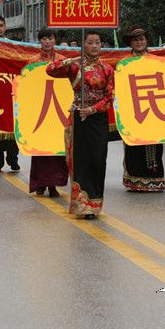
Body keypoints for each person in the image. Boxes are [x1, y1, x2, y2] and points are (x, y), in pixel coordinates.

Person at [46, 31, 114, 219]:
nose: (94, 46)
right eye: (90, 42)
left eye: (97, 42)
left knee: (98, 160)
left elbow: (109, 97)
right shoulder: (75, 67)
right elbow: (50, 69)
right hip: (78, 119)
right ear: (83, 45)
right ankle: (83, 206)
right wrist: (71, 60)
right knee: (80, 161)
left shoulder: (107, 69)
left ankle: (95, 204)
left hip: (98, 118)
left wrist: (92, 110)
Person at [122, 26, 165, 192]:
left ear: (146, 40)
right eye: (135, 40)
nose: (139, 42)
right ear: (130, 43)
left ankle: (155, 180)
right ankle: (135, 181)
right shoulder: (124, 63)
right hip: (133, 109)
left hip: (153, 106)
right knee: (134, 144)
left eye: (141, 39)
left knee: (154, 145)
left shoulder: (157, 61)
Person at [30, 29, 69, 197]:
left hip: (57, 110)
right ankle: (40, 184)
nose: (47, 42)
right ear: (39, 41)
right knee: (40, 149)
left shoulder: (62, 60)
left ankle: (54, 184)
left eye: (50, 38)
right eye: (44, 39)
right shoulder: (33, 61)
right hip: (40, 108)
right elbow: (27, 84)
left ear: (55, 40)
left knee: (57, 148)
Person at [0, 14, 20, 171]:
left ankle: (13, 159)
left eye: (1, 25)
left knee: (13, 124)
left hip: (10, 90)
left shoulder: (14, 46)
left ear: (5, 27)